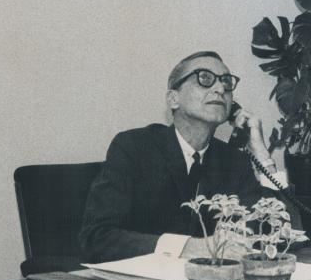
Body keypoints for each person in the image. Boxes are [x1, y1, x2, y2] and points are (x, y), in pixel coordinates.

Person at [79, 50, 289, 262]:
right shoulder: (134, 147)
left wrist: (262, 156)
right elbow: (97, 238)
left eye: (226, 82)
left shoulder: (233, 161)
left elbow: (278, 236)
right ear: (173, 99)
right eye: (205, 78)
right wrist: (190, 247)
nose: (219, 89)